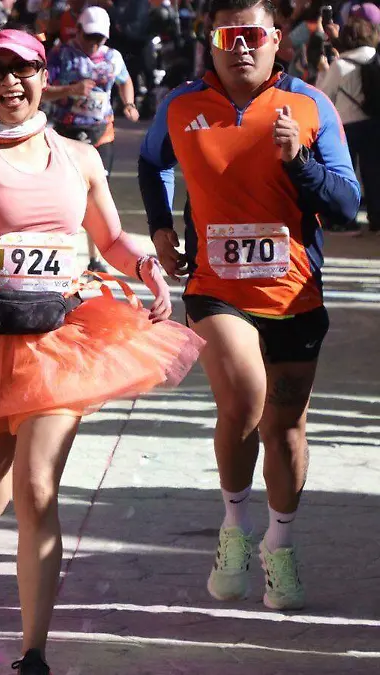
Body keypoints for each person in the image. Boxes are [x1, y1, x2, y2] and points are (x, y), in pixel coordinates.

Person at [0, 18, 204, 673]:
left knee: (38, 489)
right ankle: (4, 439)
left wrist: (147, 268)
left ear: (44, 76)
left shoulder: (79, 158)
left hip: (63, 340)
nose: (11, 83)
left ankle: (33, 652)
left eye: (23, 69)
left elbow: (111, 239)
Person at [139, 0, 359, 612]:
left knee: (285, 427)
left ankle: (279, 545)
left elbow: (347, 206)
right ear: (211, 41)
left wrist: (300, 162)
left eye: (252, 35)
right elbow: (152, 162)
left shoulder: (310, 106)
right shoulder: (182, 105)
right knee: (243, 399)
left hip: (295, 290)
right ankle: (235, 527)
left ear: (275, 39)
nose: (240, 47)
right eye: (228, 35)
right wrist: (160, 225)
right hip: (216, 286)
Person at [42, 5, 138, 273]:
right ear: (78, 30)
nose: (94, 43)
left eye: (100, 38)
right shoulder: (61, 55)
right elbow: (41, 90)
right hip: (67, 133)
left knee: (97, 194)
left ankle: (96, 258)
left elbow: (125, 80)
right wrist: (71, 89)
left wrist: (129, 103)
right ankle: (56, 253)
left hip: (101, 132)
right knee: (63, 193)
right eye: (89, 37)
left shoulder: (113, 57)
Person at [316, 15, 378, 233]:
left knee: (345, 175)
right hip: (373, 122)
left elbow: (324, 95)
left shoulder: (340, 65)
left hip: (347, 125)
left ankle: (346, 219)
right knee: (374, 172)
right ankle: (376, 218)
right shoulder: (375, 58)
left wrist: (323, 71)